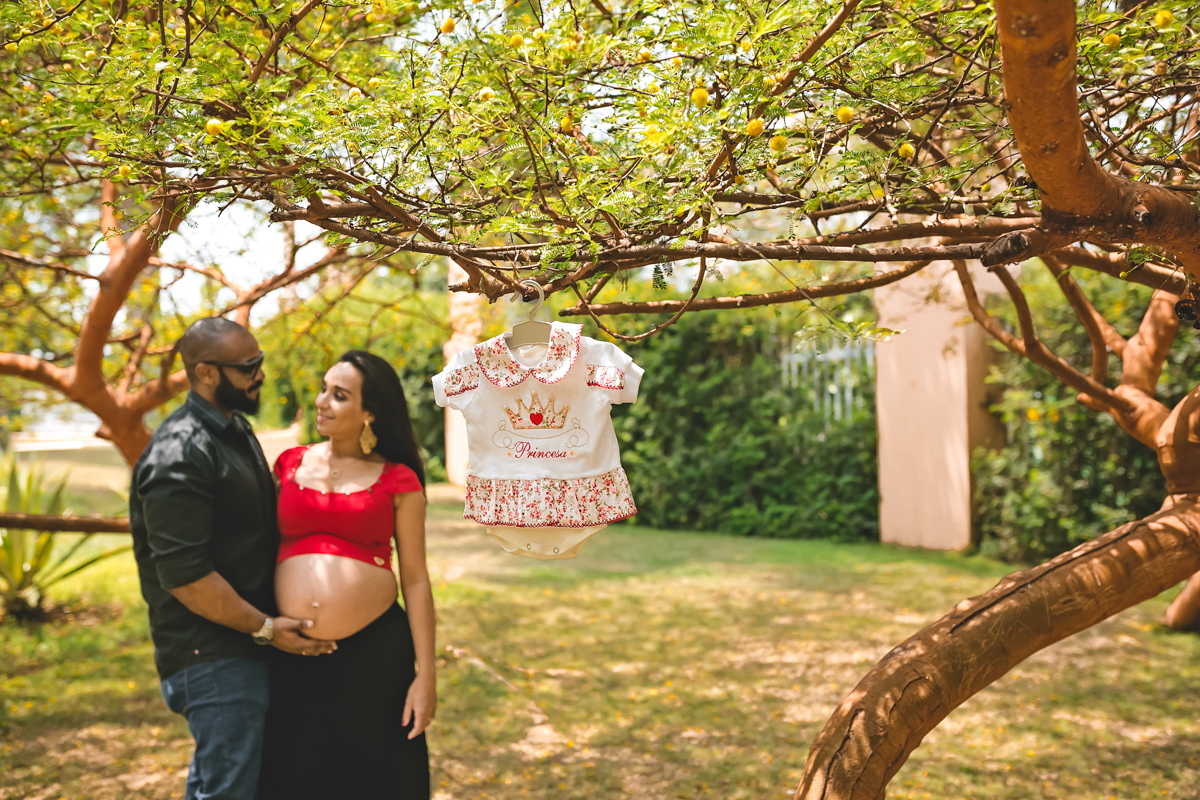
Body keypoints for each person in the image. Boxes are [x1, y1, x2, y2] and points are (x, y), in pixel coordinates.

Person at [129, 317, 337, 800]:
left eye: (259, 362)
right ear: (205, 372)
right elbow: (186, 577)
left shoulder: (234, 429)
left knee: (226, 786)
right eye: (248, 367)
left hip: (243, 647)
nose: (260, 374)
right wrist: (265, 628)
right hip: (211, 654)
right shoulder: (179, 453)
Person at [258, 350, 436, 799]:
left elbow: (416, 579)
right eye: (324, 389)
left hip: (376, 656)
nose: (322, 401)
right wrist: (265, 627)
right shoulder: (288, 465)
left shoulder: (398, 480)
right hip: (292, 650)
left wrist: (427, 675)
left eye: (339, 395)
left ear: (369, 412)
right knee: (296, 776)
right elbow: (256, 552)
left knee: (372, 779)